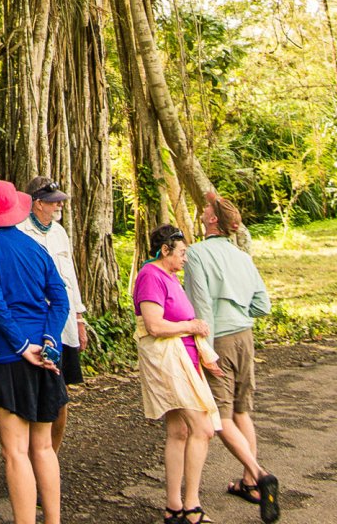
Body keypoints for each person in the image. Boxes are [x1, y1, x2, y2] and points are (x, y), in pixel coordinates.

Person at [0, 181, 69, 524]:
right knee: (43, 446)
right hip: (43, 355)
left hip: (8, 356)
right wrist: (49, 341)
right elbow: (61, 299)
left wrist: (20, 346)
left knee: (15, 453)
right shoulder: (36, 247)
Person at [183, 194, 280, 523]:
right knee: (241, 410)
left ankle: (259, 473)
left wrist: (205, 350)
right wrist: (241, 314)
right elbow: (262, 305)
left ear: (212, 221)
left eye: (207, 209)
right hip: (245, 337)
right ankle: (249, 484)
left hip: (220, 339)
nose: (203, 211)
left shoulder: (196, 254)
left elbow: (201, 307)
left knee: (219, 418)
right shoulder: (242, 257)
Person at [134, 224, 225, 524]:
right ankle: (192, 505)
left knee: (180, 431)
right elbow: (154, 325)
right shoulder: (151, 276)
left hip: (184, 359)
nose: (186, 258)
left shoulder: (170, 276)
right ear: (165, 250)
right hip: (170, 363)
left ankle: (174, 506)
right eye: (182, 252)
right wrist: (192, 326)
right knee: (203, 429)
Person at [15, 177, 87, 452]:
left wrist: (79, 319)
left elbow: (71, 278)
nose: (59, 205)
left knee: (60, 396)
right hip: (34, 326)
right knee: (35, 394)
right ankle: (30, 457)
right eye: (53, 201)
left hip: (63, 325)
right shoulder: (20, 233)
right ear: (37, 203)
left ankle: (50, 456)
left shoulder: (59, 232)